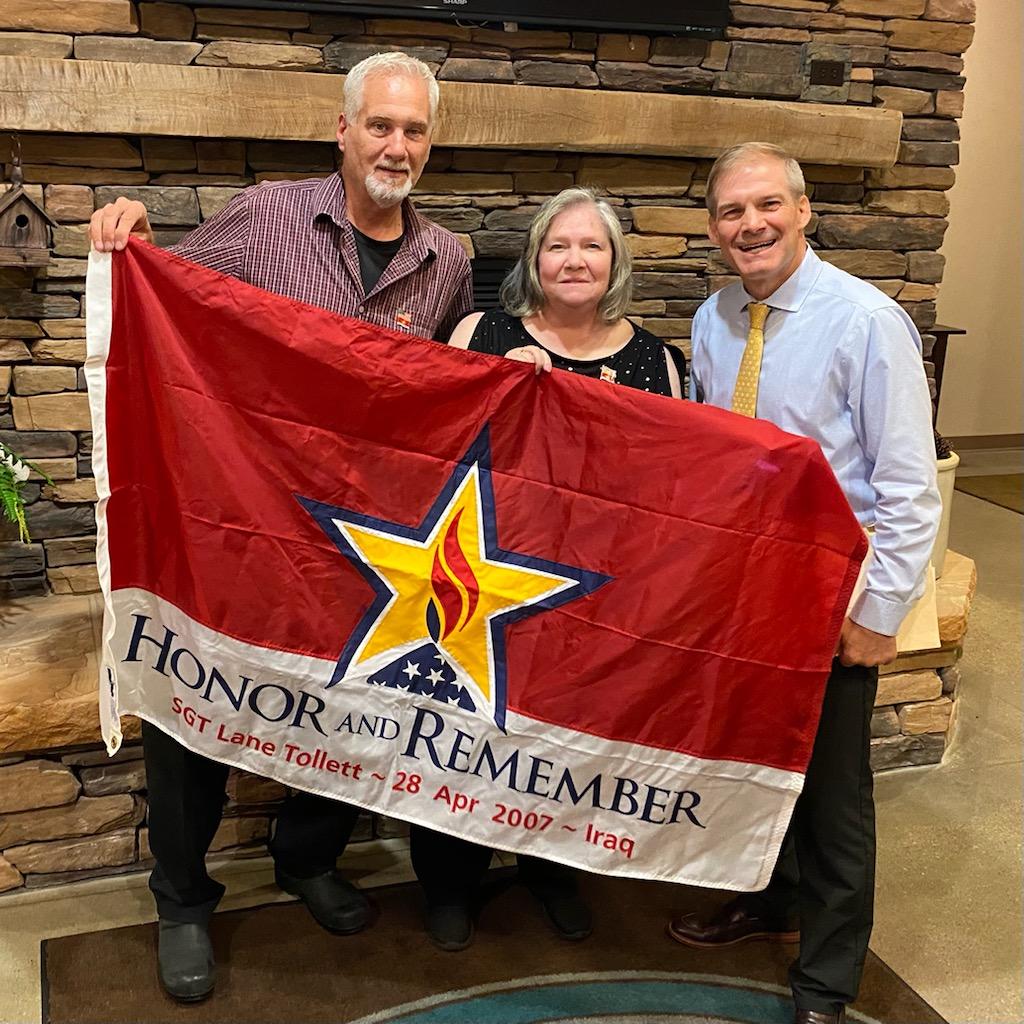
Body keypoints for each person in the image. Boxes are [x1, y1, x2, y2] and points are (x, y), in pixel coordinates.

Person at [89, 51, 473, 1003]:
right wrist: (131, 242)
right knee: (194, 694)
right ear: (342, 130)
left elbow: (448, 392)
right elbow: (169, 299)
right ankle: (182, 899)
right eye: (379, 125)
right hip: (236, 514)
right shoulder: (266, 216)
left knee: (345, 702)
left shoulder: (449, 260)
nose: (396, 145)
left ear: (430, 143)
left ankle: (306, 856)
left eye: (414, 130)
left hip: (362, 534)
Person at [666, 143, 941, 1024]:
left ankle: (827, 979)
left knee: (832, 797)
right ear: (714, 228)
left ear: (803, 209)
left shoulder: (866, 322)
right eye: (731, 212)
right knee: (757, 762)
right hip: (744, 591)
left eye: (767, 205)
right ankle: (771, 901)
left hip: (831, 598)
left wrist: (880, 612)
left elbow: (908, 487)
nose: (751, 225)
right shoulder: (715, 318)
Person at [410, 186, 683, 953]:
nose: (574, 260)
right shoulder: (482, 333)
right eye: (558, 245)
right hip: (478, 575)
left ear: (615, 262)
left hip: (594, 588)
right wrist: (495, 386)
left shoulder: (656, 360)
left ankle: (553, 871)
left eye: (591, 245)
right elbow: (427, 444)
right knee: (464, 732)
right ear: (534, 260)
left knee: (569, 737)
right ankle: (449, 880)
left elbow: (670, 486)